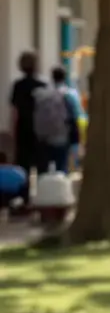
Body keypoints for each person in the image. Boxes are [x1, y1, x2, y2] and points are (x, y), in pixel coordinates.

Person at [9, 52, 46, 202]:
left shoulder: (18, 86)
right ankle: (42, 197)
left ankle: (24, 199)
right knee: (41, 165)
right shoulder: (42, 86)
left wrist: (13, 131)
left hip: (22, 129)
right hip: (39, 130)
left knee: (23, 165)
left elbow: (15, 111)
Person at [32, 67, 79, 174]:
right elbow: (73, 116)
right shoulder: (68, 94)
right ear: (64, 77)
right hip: (61, 136)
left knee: (44, 169)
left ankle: (43, 189)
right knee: (61, 168)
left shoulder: (43, 94)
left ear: (52, 77)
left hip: (44, 137)